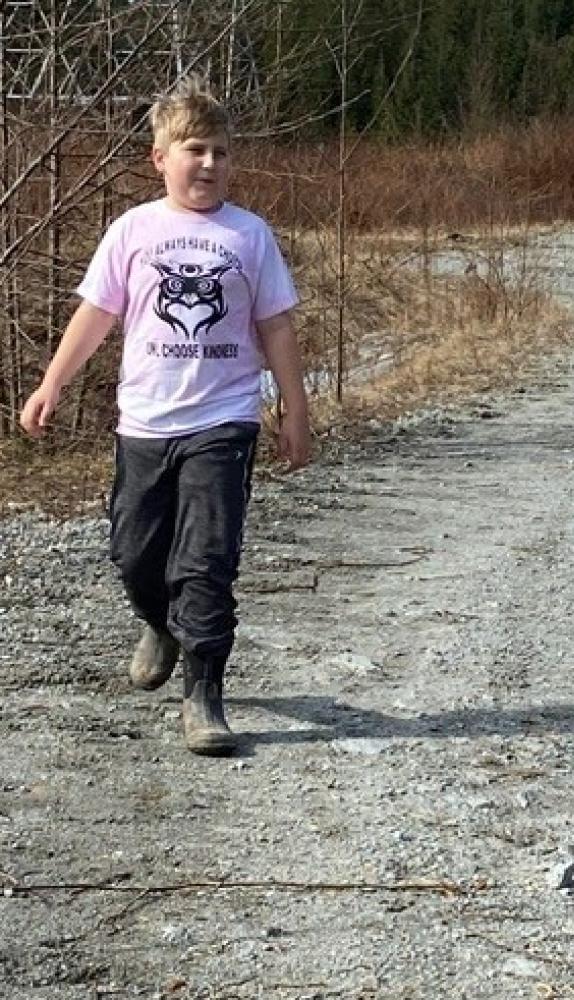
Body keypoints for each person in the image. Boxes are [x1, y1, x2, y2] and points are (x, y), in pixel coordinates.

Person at [20, 76, 311, 757]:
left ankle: (204, 693)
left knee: (206, 561)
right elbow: (97, 315)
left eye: (221, 152)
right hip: (145, 423)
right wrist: (51, 384)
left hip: (225, 420)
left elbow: (276, 327)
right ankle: (158, 623)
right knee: (134, 554)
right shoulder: (133, 231)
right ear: (160, 157)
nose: (209, 164)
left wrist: (295, 411)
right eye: (194, 150)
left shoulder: (250, 235)